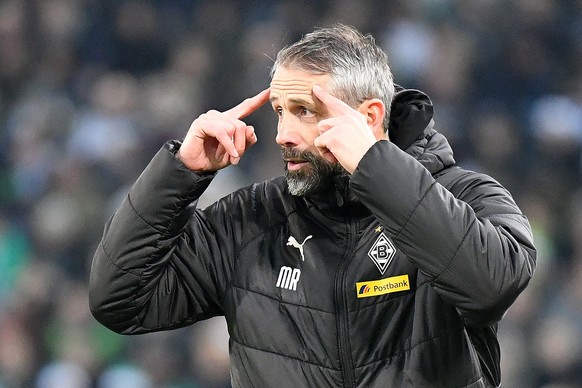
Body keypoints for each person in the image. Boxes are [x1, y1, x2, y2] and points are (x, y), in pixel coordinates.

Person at [89, 24, 536, 387]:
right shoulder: (250, 221)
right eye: (280, 110)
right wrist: (180, 173)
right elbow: (118, 300)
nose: (283, 133)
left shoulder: (465, 196)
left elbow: (491, 285)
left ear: (370, 117)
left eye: (304, 110)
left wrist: (376, 168)